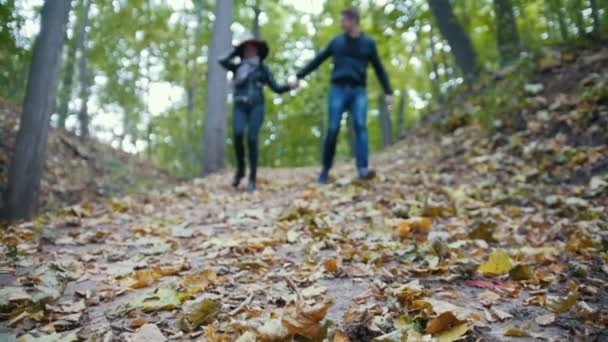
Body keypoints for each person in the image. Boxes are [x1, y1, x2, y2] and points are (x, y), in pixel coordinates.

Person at [294, 7, 393, 184]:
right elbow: (318, 59)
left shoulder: (368, 43)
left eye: (343, 20)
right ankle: (325, 170)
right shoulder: (336, 42)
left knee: (360, 125)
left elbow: (379, 68)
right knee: (332, 128)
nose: (341, 24)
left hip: (358, 91)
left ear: (353, 20)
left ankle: (362, 169)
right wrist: (299, 76)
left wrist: (388, 92)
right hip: (337, 89)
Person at [219, 37, 296, 192]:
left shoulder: (262, 69)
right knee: (238, 134)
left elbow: (276, 88)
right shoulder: (237, 67)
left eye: (253, 49)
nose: (250, 51)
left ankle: (252, 178)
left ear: (258, 51)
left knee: (252, 138)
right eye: (246, 49)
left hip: (257, 106)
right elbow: (221, 61)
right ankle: (241, 169)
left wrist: (289, 86)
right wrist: (235, 50)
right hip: (239, 106)